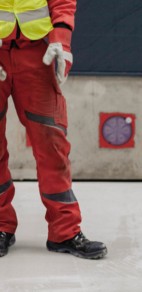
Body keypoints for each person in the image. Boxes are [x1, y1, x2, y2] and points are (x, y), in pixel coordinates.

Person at [0, 0, 107, 259]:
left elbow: (62, 2)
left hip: (38, 54)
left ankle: (64, 231)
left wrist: (61, 41)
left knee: (51, 144)